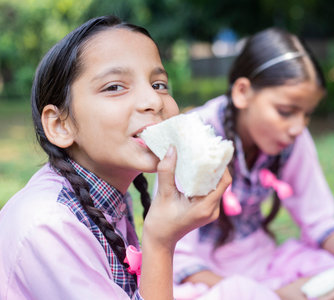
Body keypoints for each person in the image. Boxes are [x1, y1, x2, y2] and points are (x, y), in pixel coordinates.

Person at [171, 28, 334, 300]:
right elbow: (177, 257)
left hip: (269, 266)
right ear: (242, 92)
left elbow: (318, 219)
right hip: (208, 280)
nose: (298, 127)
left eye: (307, 114)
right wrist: (260, 294)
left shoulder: (293, 139)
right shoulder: (193, 136)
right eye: (286, 112)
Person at [0, 15, 231, 300]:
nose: (153, 101)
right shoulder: (48, 225)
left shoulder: (109, 197)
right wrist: (159, 243)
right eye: (114, 87)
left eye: (158, 84)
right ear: (61, 125)